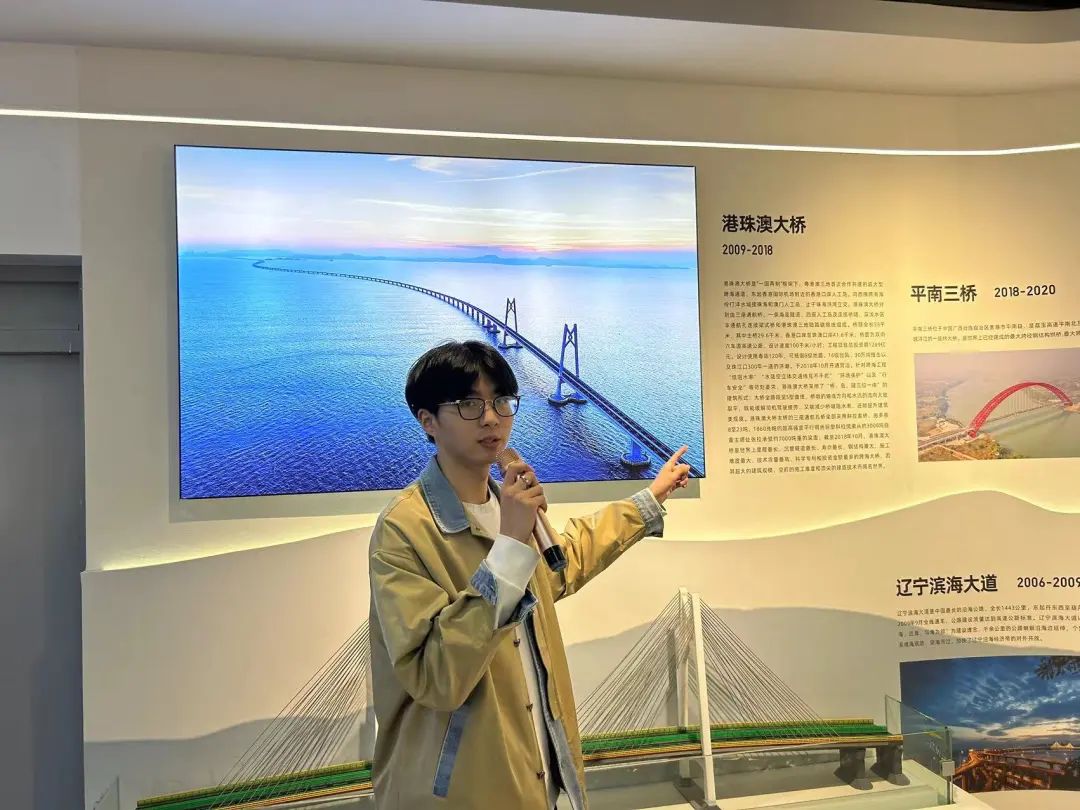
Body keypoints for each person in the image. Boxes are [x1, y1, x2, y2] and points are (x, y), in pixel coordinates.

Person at [368, 339, 691, 810]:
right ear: (427, 420)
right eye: (469, 403)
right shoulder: (404, 530)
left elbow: (562, 564)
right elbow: (435, 676)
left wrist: (650, 498)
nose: (491, 418)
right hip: (458, 793)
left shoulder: (511, 508)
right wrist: (509, 546)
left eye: (501, 400)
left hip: (537, 774)